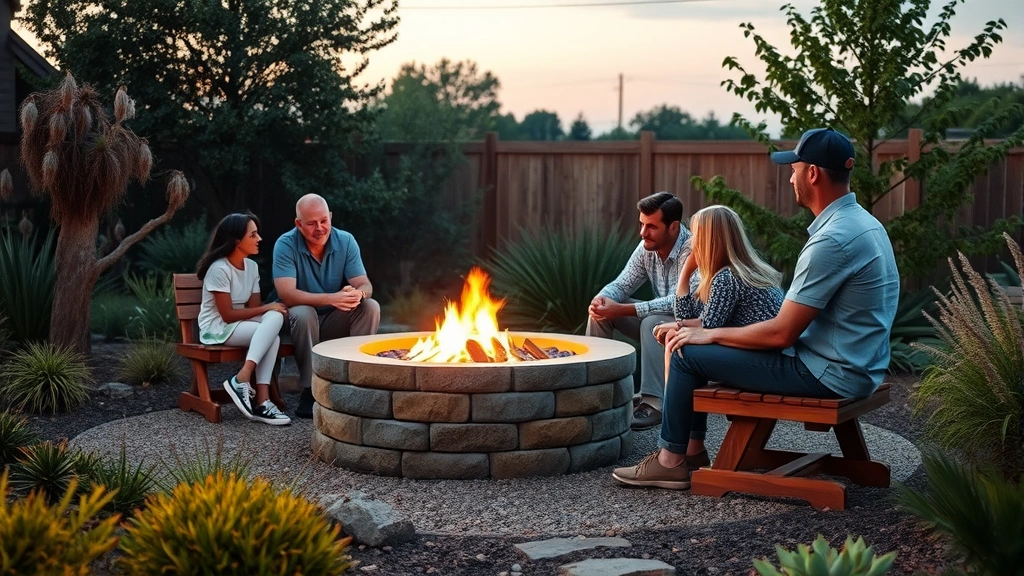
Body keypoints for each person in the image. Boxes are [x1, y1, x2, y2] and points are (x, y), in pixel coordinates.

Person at [613, 127, 899, 489]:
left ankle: (671, 460)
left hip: (829, 372)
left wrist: (707, 333)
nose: (791, 177)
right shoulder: (865, 224)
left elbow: (781, 333)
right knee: (692, 342)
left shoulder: (831, 239)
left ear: (812, 173)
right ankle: (693, 451)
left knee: (685, 352)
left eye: (794, 169)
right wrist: (704, 330)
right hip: (860, 365)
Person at [650, 204, 786, 470]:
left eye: (696, 235)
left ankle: (675, 453)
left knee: (681, 350)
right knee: (679, 341)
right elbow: (702, 319)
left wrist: (685, 276)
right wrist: (686, 282)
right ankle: (692, 447)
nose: (690, 241)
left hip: (763, 361)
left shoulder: (727, 278)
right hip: (764, 354)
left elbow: (708, 329)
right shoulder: (739, 271)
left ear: (710, 239)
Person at [587, 191, 690, 431]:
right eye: (642, 224)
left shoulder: (691, 249)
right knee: (601, 312)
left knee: (651, 320)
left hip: (690, 329)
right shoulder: (647, 247)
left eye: (651, 226)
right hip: (658, 329)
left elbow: (679, 303)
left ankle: (654, 404)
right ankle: (594, 392)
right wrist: (602, 299)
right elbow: (622, 284)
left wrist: (623, 309)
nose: (643, 233)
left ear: (673, 227)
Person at [273, 194, 380, 419]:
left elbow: (365, 284)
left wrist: (358, 294)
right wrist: (332, 298)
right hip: (297, 323)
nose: (320, 228)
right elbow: (287, 295)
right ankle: (311, 389)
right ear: (298, 224)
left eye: (324, 220)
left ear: (330, 216)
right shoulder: (285, 244)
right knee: (303, 313)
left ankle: (357, 383)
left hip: (332, 321)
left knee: (370, 306)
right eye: (311, 223)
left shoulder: (346, 241)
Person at [196, 212, 292, 426]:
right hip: (218, 327)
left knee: (274, 329)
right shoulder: (219, 269)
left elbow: (255, 308)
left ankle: (257, 395)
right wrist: (269, 308)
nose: (259, 239)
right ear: (237, 241)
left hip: (239, 324)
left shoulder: (252, 267)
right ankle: (248, 385)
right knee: (272, 324)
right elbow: (227, 314)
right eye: (253, 235)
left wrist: (269, 311)